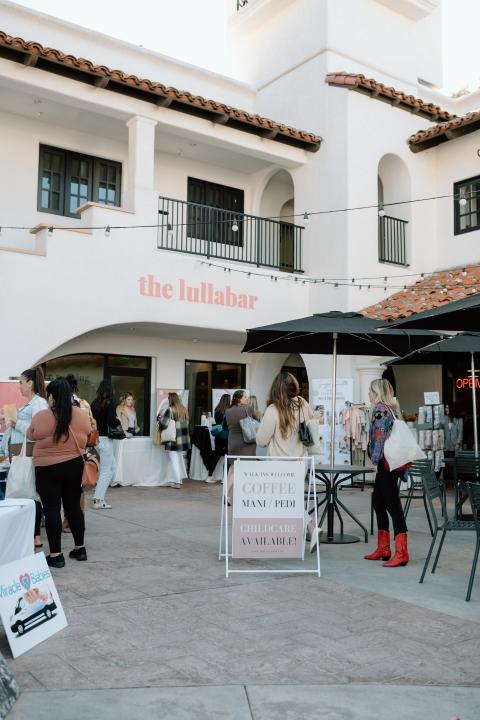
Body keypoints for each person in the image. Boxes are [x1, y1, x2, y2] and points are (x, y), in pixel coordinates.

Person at [27, 378, 91, 568]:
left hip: (47, 468)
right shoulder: (81, 415)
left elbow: (31, 434)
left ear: (52, 396)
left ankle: (56, 556)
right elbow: (88, 433)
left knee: (52, 509)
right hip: (74, 466)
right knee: (73, 507)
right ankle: (80, 549)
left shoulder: (42, 416)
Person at [256, 371, 318, 553]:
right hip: (301, 462)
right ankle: (303, 532)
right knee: (291, 500)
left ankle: (309, 529)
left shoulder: (273, 410)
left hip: (279, 465)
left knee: (282, 502)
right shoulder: (303, 404)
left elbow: (261, 440)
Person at [1, 367, 48, 548]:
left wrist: (15, 422)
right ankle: (29, 532)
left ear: (30, 383)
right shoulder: (31, 403)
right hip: (20, 452)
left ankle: (35, 534)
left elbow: (37, 431)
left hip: (27, 453)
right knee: (23, 490)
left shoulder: (39, 404)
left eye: (21, 382)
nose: (19, 386)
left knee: (29, 492)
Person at [365, 378, 409, 568]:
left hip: (386, 465)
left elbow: (380, 437)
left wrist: (374, 461)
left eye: (370, 390)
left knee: (392, 506)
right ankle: (384, 548)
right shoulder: (390, 408)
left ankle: (402, 553)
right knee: (379, 502)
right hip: (389, 464)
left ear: (377, 392)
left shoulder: (381, 409)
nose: (368, 394)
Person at [91, 380, 124, 509]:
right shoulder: (110, 403)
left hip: (97, 439)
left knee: (112, 467)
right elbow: (111, 420)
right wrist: (118, 420)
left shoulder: (94, 403)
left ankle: (98, 494)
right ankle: (98, 500)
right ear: (110, 390)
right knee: (107, 469)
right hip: (105, 440)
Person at [224, 390, 260, 502]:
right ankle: (240, 495)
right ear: (238, 398)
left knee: (233, 469)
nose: (247, 399)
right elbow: (257, 421)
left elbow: (227, 426)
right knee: (242, 470)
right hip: (246, 443)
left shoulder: (228, 411)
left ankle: (227, 494)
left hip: (233, 442)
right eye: (245, 397)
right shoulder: (248, 409)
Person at [157, 392, 190, 488]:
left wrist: (159, 417)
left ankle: (177, 481)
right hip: (182, 438)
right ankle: (175, 480)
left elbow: (163, 424)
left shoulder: (170, 410)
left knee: (174, 460)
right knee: (178, 460)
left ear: (170, 400)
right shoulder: (184, 409)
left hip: (173, 438)